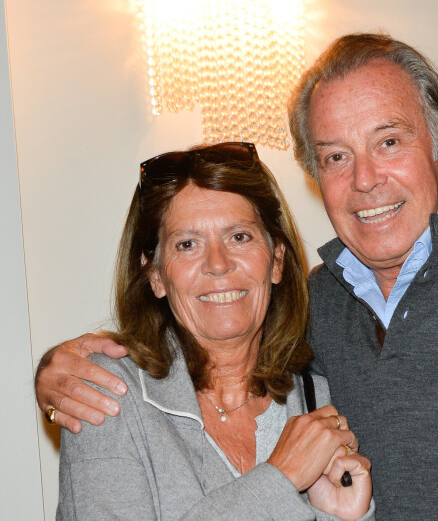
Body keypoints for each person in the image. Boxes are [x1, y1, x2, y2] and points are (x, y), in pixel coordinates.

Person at [37, 34, 438, 519]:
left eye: (388, 142)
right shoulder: (314, 313)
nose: (364, 179)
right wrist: (56, 372)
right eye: (336, 156)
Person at [51, 141, 373, 520]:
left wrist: (348, 516)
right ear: (155, 274)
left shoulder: (318, 398)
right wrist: (280, 479)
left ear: (277, 260)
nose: (218, 264)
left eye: (240, 237)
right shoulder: (106, 397)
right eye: (187, 244)